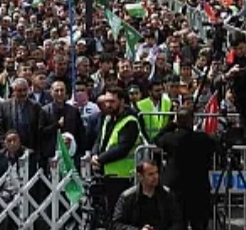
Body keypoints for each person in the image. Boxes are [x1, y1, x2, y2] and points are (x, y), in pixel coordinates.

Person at [154, 107, 216, 230]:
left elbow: (156, 139)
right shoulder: (203, 138)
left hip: (176, 188)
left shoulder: (171, 138)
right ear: (192, 121)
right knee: (198, 224)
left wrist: (171, 125)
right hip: (198, 188)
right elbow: (216, 145)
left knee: (177, 223)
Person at [92, 87, 143, 218]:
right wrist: (94, 155)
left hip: (124, 176)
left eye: (112, 101)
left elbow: (122, 148)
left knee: (121, 216)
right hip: (108, 175)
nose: (108, 105)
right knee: (109, 215)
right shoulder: (108, 118)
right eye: (106, 101)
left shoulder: (130, 121)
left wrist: (100, 159)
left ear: (122, 101)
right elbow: (99, 140)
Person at [110, 160, 183, 230]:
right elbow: (116, 224)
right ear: (140, 176)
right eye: (150, 174)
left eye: (156, 172)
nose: (155, 177)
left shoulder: (167, 195)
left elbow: (178, 222)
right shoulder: (127, 197)